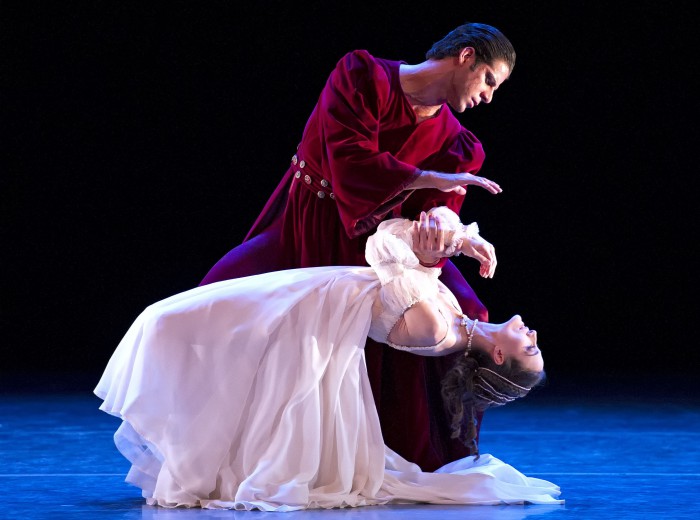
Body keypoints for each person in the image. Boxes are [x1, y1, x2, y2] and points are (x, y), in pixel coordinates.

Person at [198, 22, 516, 471]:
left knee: (471, 311)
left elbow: (438, 208)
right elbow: (350, 162)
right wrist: (426, 178)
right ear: (466, 56)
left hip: (380, 252)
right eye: (489, 80)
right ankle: (227, 452)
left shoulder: (457, 142)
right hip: (306, 228)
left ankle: (431, 456)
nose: (489, 97)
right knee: (216, 302)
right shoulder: (362, 76)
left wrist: (449, 229)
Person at [95, 208, 562, 510]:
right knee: (169, 321)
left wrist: (450, 239)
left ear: (498, 355)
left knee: (167, 321)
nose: (534, 334)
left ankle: (180, 434)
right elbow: (401, 244)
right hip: (305, 293)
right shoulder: (455, 317)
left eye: (530, 348)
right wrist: (444, 237)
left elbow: (381, 245)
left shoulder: (435, 331)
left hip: (302, 313)